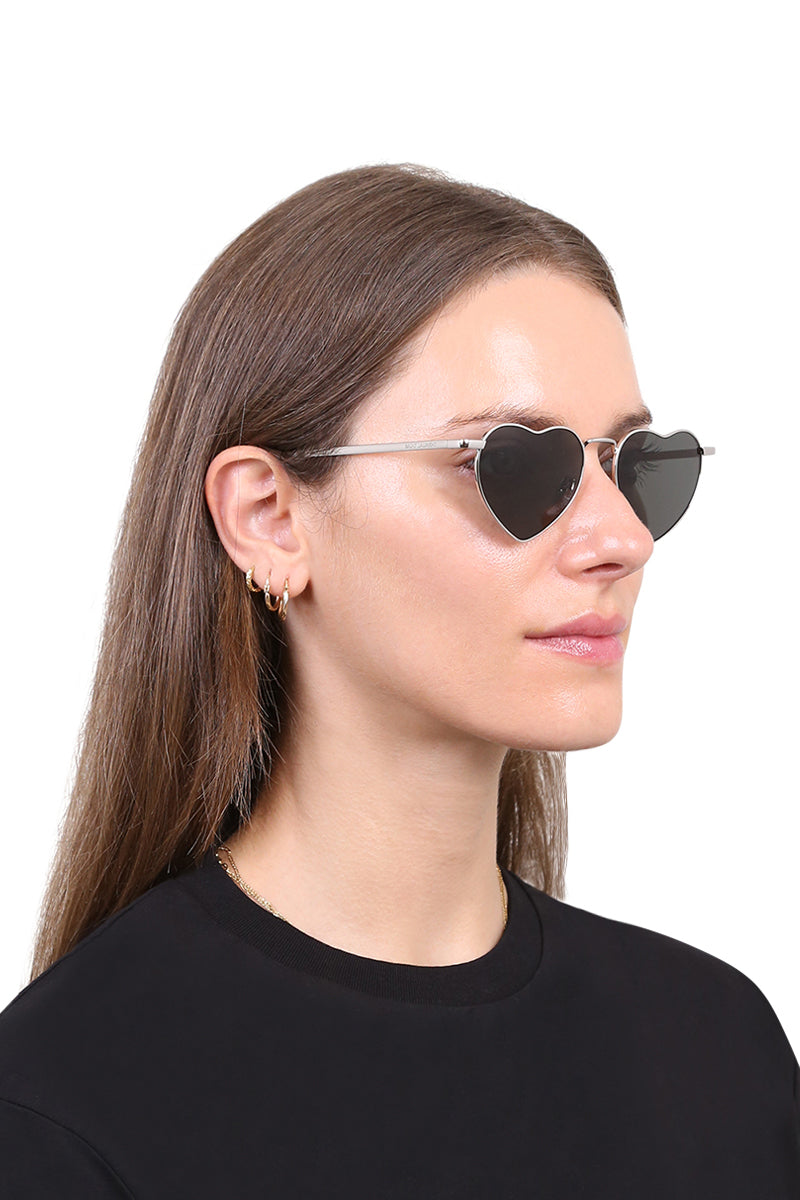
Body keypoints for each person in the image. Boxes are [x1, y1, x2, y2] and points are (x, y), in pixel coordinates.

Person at [0, 163, 796, 1198]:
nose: (621, 538)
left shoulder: (716, 1051)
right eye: (516, 464)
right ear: (269, 519)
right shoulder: (64, 1108)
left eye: (634, 464)